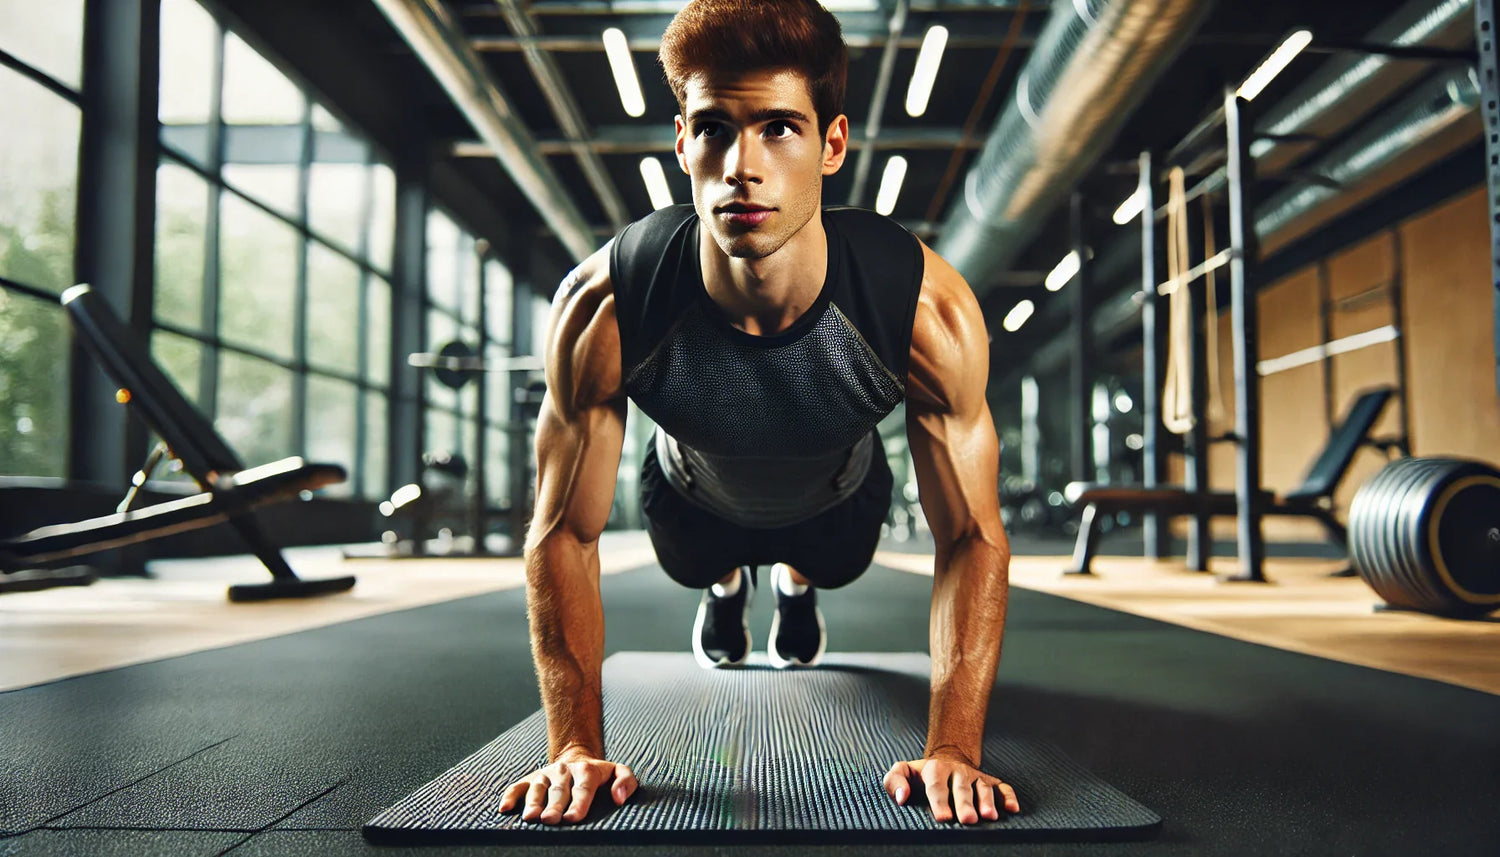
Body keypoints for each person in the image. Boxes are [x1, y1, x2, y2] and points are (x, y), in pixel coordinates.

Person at [499, 0, 1015, 828]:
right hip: (693, 497)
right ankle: (732, 580)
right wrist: (571, 744)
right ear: (681, 143)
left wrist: (953, 745)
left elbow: (972, 535)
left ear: (832, 144)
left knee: (833, 559)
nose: (742, 165)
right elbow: (563, 531)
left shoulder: (923, 310)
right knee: (695, 560)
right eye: (713, 129)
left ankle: (796, 580)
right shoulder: (608, 302)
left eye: (778, 128)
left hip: (837, 499)